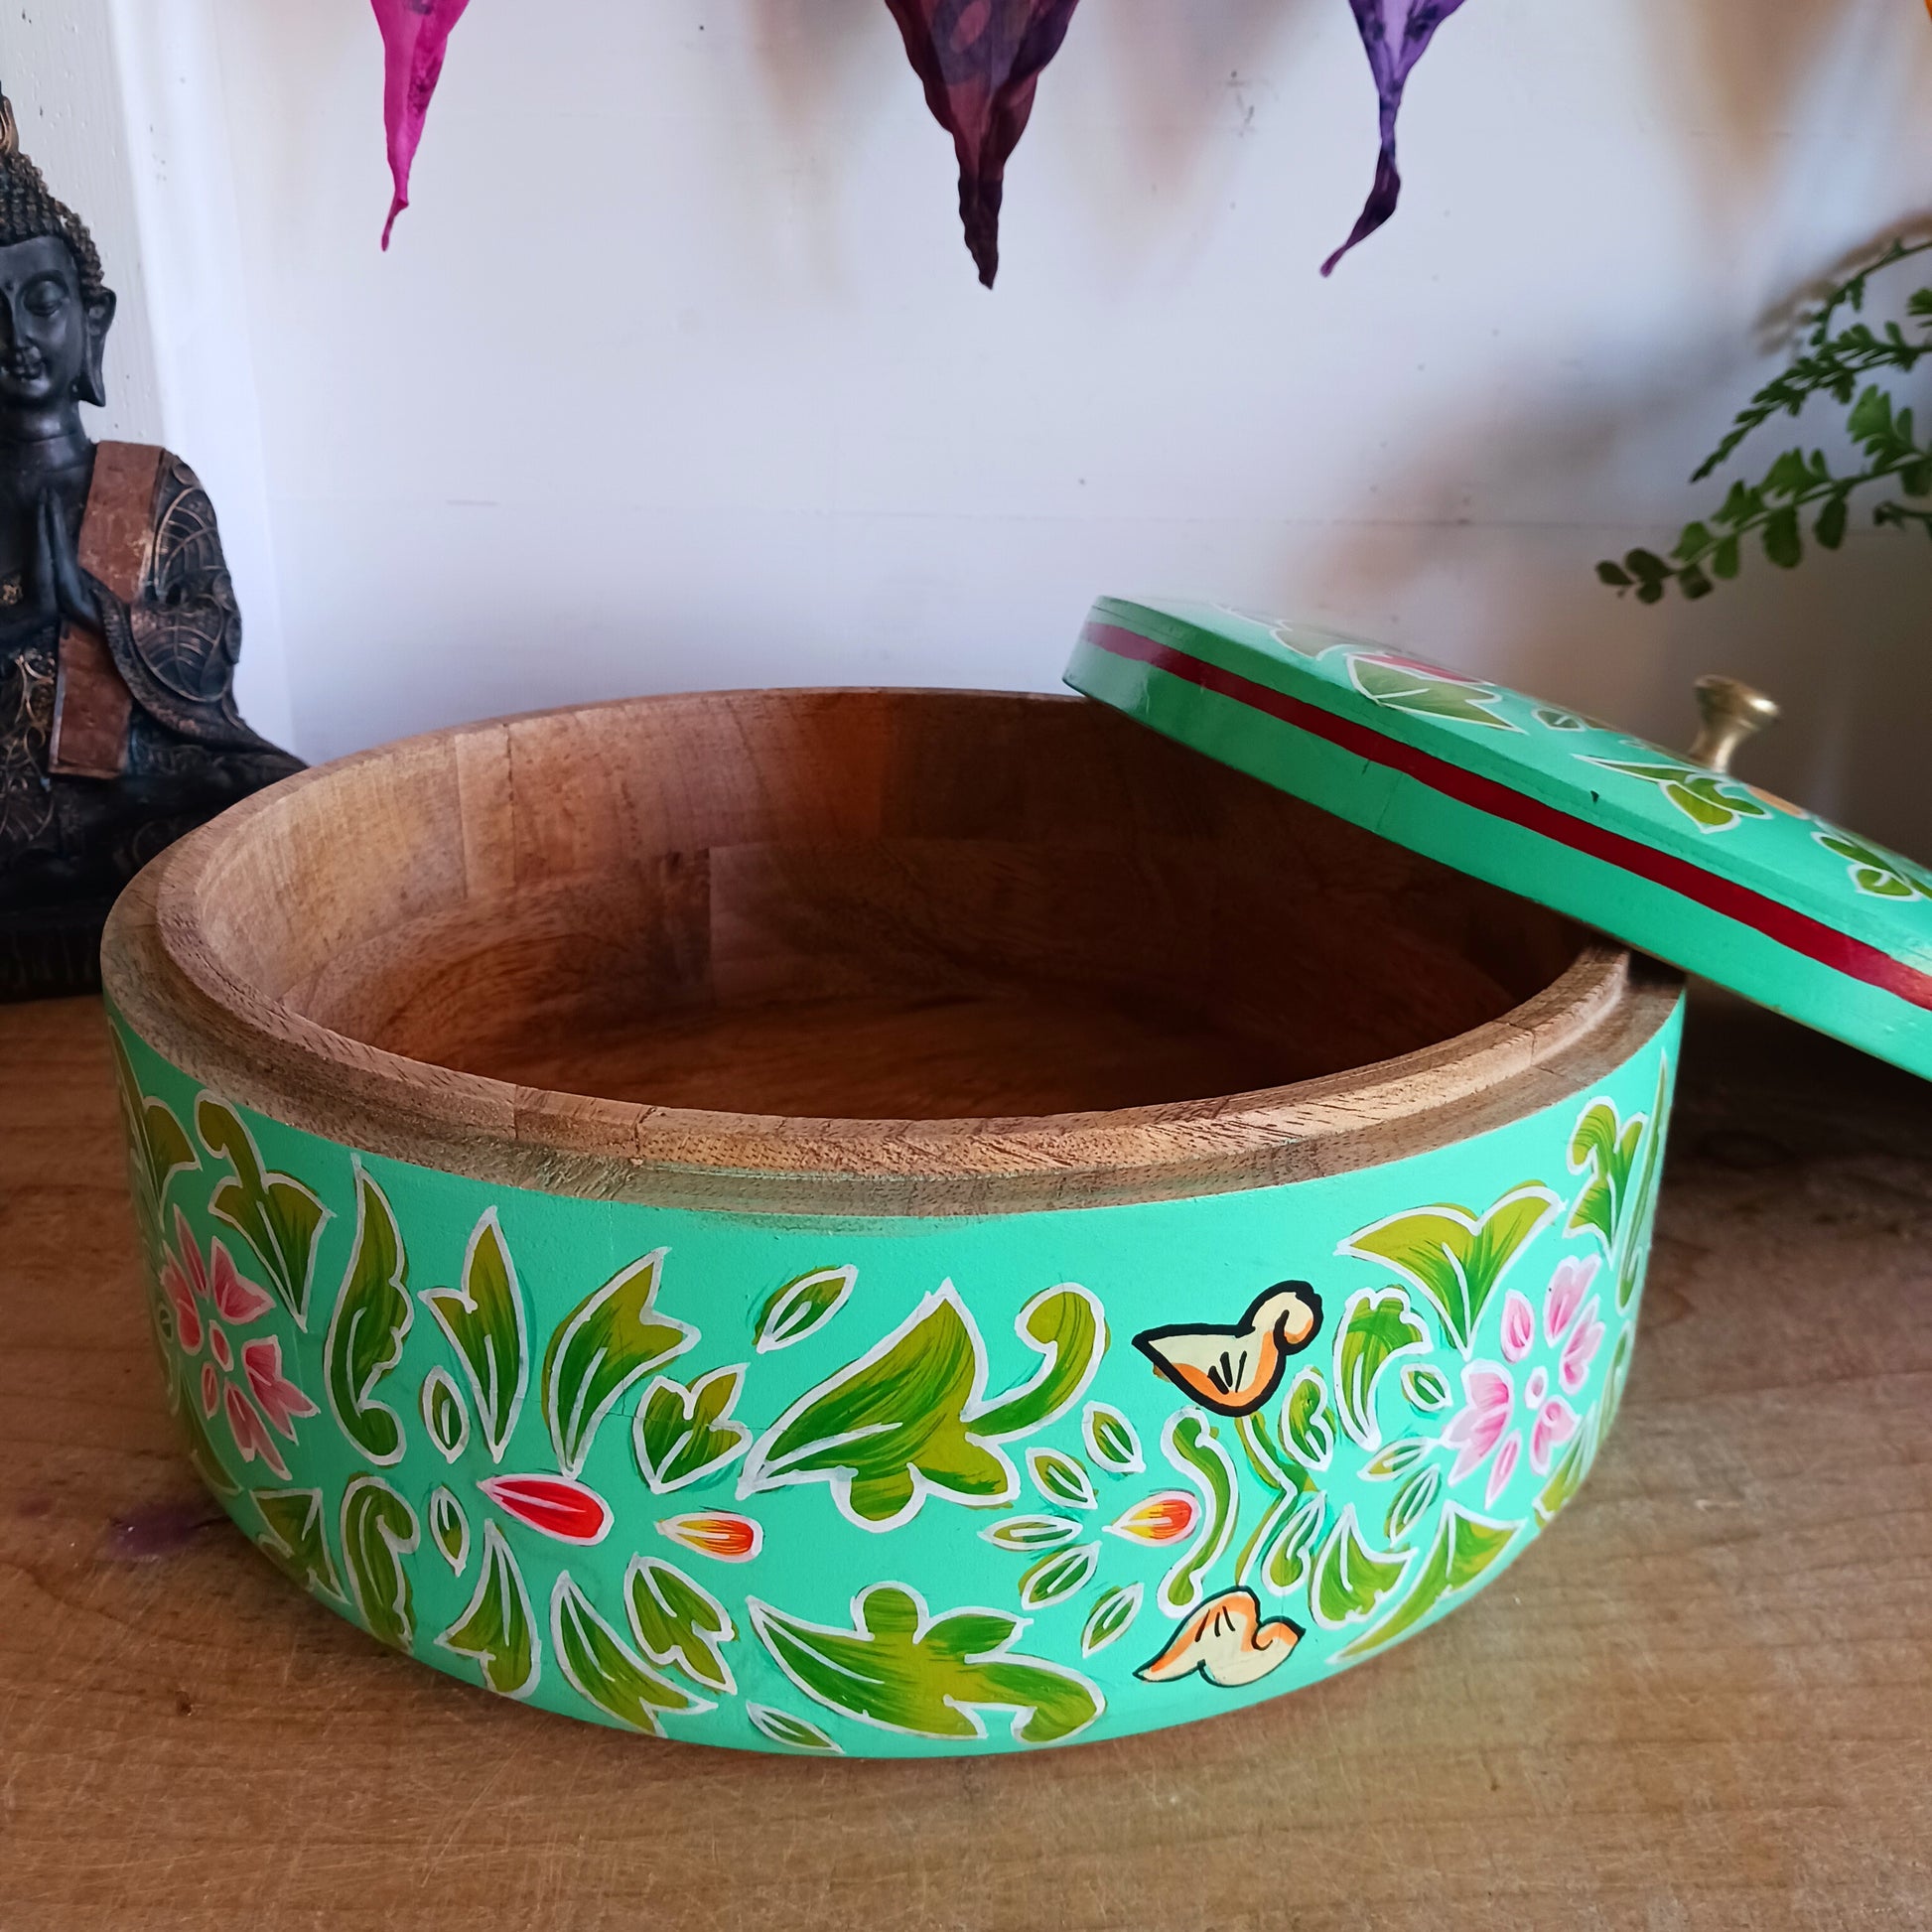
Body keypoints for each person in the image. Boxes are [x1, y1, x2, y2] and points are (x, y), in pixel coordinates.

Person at [0, 93, 299, 996]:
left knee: (272, 806)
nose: (15, 337)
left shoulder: (152, 482)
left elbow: (216, 644)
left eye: (41, 302)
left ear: (92, 321)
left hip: (138, 783)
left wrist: (108, 616)